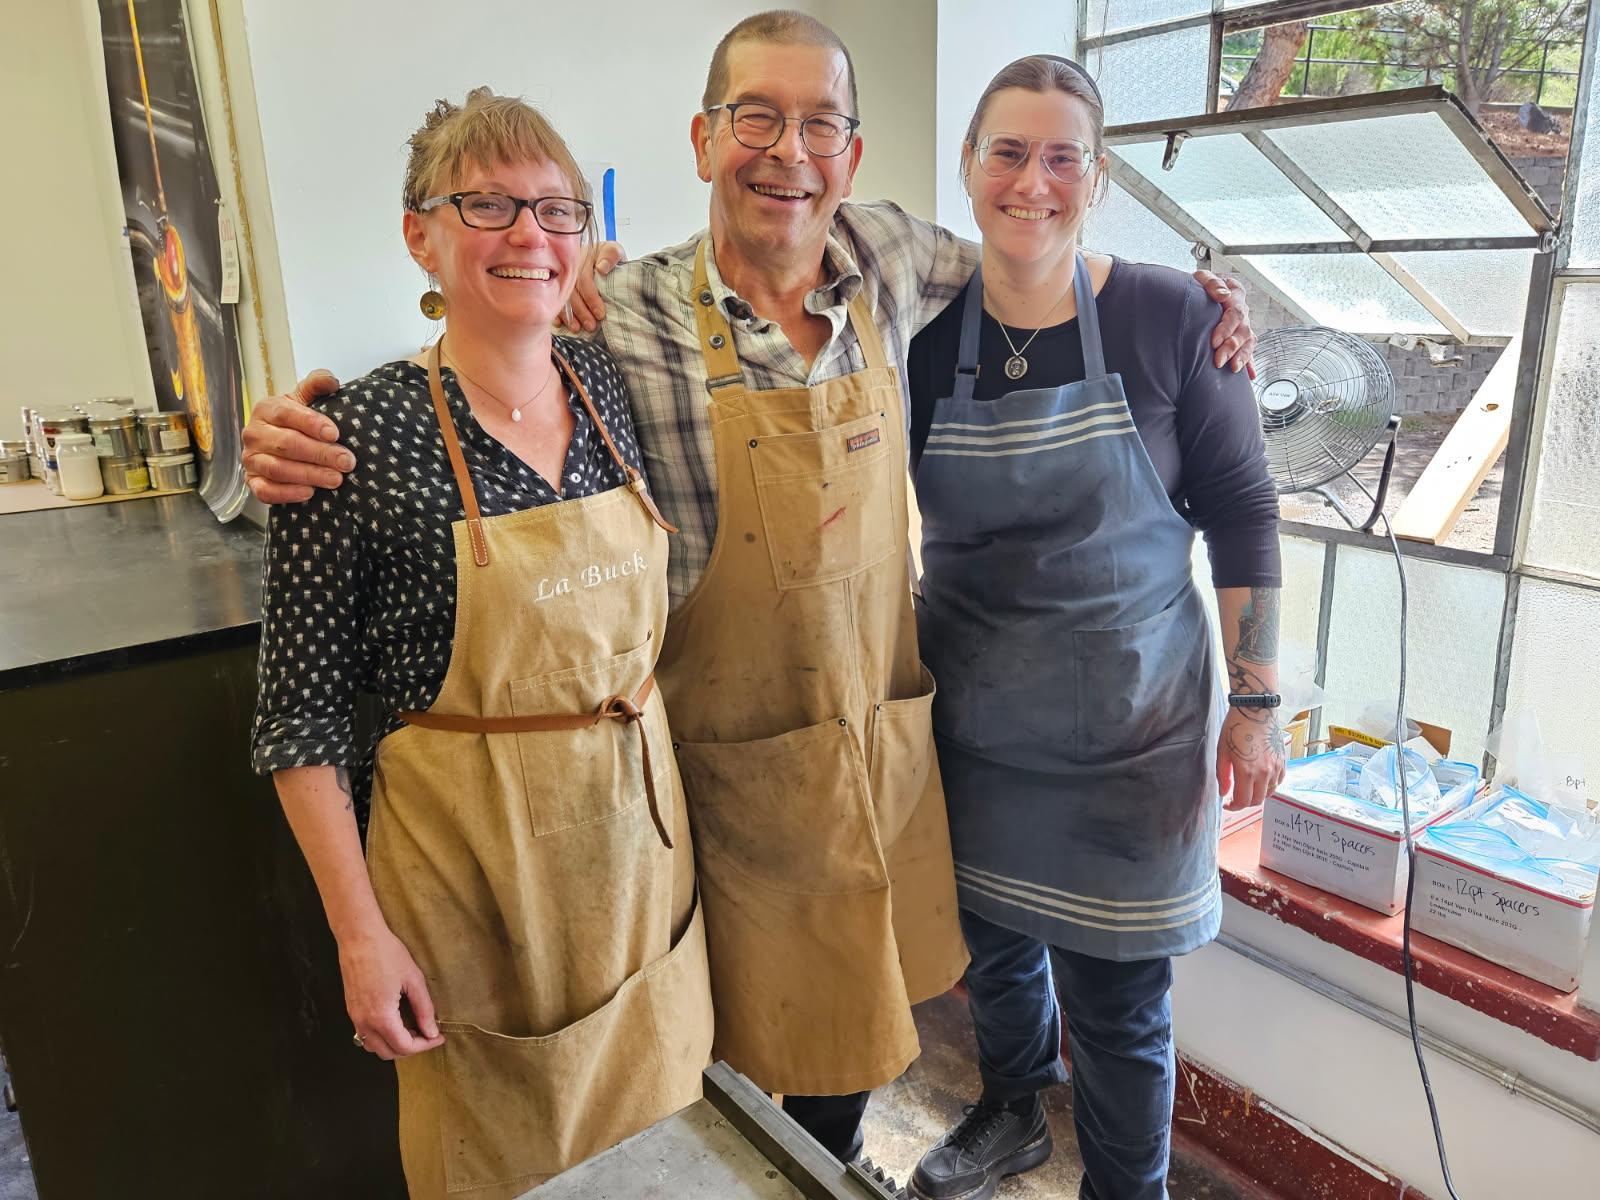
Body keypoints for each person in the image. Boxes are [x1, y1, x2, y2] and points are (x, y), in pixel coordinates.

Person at [240, 11, 1257, 1167]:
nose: (790, 150)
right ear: (702, 139)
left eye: (821, 122)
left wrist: (1191, 302)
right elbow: (475, 365)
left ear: (854, 156)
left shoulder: (895, 262)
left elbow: (1040, 253)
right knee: (725, 1066)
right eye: (756, 117)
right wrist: (292, 426)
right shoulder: (613, 320)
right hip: (716, 777)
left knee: (868, 1038)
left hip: (878, 749)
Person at [249, 89, 712, 1199]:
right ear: (422, 233)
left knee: (661, 1134)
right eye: (488, 206)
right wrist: (361, 939)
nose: (527, 238)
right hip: (469, 876)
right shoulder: (349, 438)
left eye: (554, 211)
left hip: (639, 855)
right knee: (503, 1153)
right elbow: (297, 720)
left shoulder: (606, 383)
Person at [901, 57, 1285, 1200]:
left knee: (1119, 1006)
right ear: (969, 169)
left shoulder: (1170, 315)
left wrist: (1257, 701)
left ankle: (1130, 1191)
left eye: (1062, 156)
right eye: (1008, 152)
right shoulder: (919, 335)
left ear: (1097, 176)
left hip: (1131, 740)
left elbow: (1243, 513)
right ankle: (1013, 1107)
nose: (1034, 180)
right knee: (994, 954)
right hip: (972, 725)